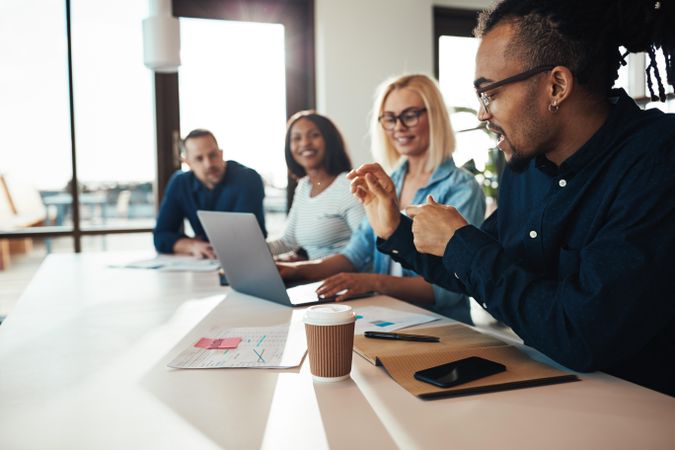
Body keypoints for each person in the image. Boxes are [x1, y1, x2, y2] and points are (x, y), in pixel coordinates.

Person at [348, 0, 675, 396]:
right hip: (540, 391)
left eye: (490, 93)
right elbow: (472, 268)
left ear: (556, 86)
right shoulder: (526, 167)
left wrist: (460, 243)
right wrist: (395, 229)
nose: (483, 114)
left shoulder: (656, 159)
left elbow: (581, 333)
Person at [279, 74, 485, 323]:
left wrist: (373, 282)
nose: (398, 127)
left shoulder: (461, 188)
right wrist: (291, 271)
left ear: (435, 117)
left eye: (409, 115)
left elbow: (449, 289)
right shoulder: (388, 183)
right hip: (386, 319)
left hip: (442, 327)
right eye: (389, 118)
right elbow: (354, 254)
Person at [267, 111, 365, 260]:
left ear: (330, 140)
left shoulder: (348, 186)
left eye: (314, 135)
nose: (305, 143)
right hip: (313, 278)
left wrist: (302, 268)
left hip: (345, 279)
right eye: (296, 138)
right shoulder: (304, 187)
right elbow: (288, 241)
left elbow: (367, 247)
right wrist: (245, 250)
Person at [153, 129, 266, 258]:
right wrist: (191, 245)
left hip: (245, 258)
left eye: (213, 155)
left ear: (221, 153)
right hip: (204, 261)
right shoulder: (180, 183)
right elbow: (160, 235)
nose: (208, 164)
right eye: (199, 158)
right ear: (187, 163)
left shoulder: (248, 178)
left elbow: (248, 237)